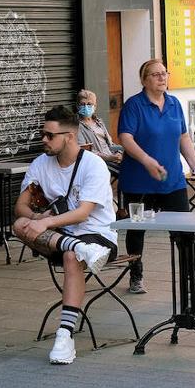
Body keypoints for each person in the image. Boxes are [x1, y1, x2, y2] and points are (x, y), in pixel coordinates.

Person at [13, 106, 118, 365]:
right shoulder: (40, 164)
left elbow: (83, 213)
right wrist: (37, 219)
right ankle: (76, 247)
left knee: (72, 256)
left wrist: (47, 221)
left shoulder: (94, 165)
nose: (43, 140)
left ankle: (65, 334)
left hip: (98, 236)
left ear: (69, 136)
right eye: (43, 134)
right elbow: (21, 207)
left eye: (49, 135)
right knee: (19, 225)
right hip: (60, 236)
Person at [117, 58, 195, 294]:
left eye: (164, 73)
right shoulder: (134, 105)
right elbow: (125, 138)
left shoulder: (174, 104)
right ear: (144, 80)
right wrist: (147, 160)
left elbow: (183, 137)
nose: (162, 78)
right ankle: (136, 275)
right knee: (137, 230)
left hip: (172, 180)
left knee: (183, 229)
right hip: (139, 181)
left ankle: (194, 277)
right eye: (155, 74)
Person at [76, 88, 121, 191]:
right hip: (99, 162)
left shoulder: (99, 122)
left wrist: (120, 152)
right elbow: (85, 151)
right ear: (77, 106)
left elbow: (110, 144)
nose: (86, 107)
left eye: (89, 104)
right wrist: (110, 157)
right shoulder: (77, 126)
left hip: (112, 158)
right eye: (82, 104)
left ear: (95, 107)